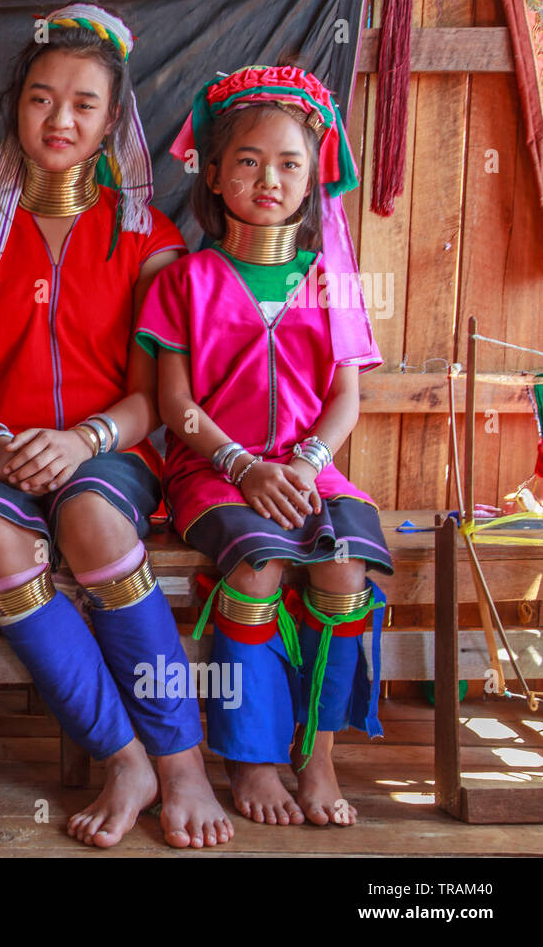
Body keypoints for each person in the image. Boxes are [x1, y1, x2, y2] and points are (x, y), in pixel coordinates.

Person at [0, 3, 232, 849]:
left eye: (83, 104)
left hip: (109, 449)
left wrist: (78, 442)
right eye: (40, 98)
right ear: (14, 107)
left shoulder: (148, 241)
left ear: (111, 122)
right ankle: (123, 754)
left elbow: (151, 402)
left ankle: (183, 761)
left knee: (91, 518)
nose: (59, 120)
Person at [137, 64, 390, 827]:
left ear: (315, 178)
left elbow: (346, 397)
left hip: (311, 469)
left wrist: (306, 463)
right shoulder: (185, 280)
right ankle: (250, 757)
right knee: (260, 562)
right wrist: (243, 466)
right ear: (212, 175)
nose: (268, 178)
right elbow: (174, 406)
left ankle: (316, 755)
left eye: (289, 164)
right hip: (212, 470)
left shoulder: (331, 280)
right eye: (247, 161)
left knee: (345, 571)